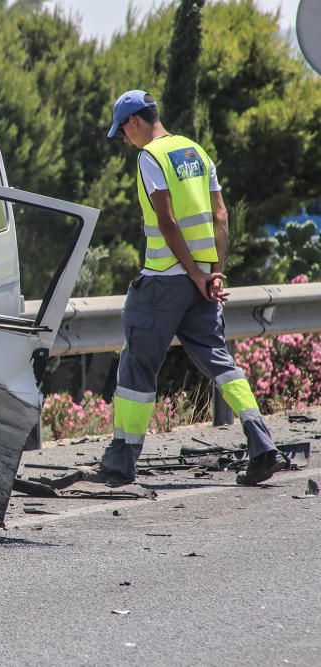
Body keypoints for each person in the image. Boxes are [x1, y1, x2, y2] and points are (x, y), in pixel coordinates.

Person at [90, 90, 286, 486]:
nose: (126, 141)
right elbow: (220, 215)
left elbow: (166, 222)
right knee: (219, 360)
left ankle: (121, 459)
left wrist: (193, 275)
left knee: (137, 364)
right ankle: (261, 441)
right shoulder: (197, 152)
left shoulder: (150, 157)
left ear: (134, 123)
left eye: (124, 133)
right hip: (200, 280)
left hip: (163, 281)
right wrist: (212, 272)